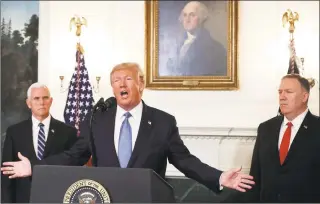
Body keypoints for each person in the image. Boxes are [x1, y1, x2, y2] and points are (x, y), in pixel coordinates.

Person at [1, 63, 254, 194]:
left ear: (141, 83)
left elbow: (184, 160)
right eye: (115, 81)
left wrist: (219, 177)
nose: (121, 84)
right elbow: (74, 155)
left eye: (128, 78)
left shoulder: (163, 122)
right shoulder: (97, 120)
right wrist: (33, 167)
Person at [230, 74, 320, 203]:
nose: (282, 97)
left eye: (289, 92)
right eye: (280, 92)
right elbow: (255, 178)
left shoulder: (317, 128)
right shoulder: (266, 128)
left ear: (304, 97)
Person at [1, 83, 80, 203]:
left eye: (45, 98)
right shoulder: (14, 132)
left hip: (57, 197)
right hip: (23, 199)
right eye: (36, 98)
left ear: (51, 101)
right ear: (28, 103)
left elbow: (73, 168)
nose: (41, 102)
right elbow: (7, 172)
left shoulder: (68, 132)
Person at [164, 1, 227, 76]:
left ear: (201, 18)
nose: (187, 19)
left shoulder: (216, 48)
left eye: (192, 15)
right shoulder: (176, 44)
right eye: (184, 15)